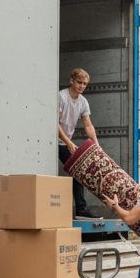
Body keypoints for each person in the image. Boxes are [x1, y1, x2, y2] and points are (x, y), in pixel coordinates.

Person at [58, 68, 98, 217]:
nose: (82, 86)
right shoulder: (61, 97)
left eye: (85, 84)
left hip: (64, 142)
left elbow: (88, 125)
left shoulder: (83, 102)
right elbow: (54, 123)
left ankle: (81, 210)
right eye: (79, 82)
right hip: (52, 141)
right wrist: (68, 142)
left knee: (78, 170)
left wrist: (96, 145)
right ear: (72, 81)